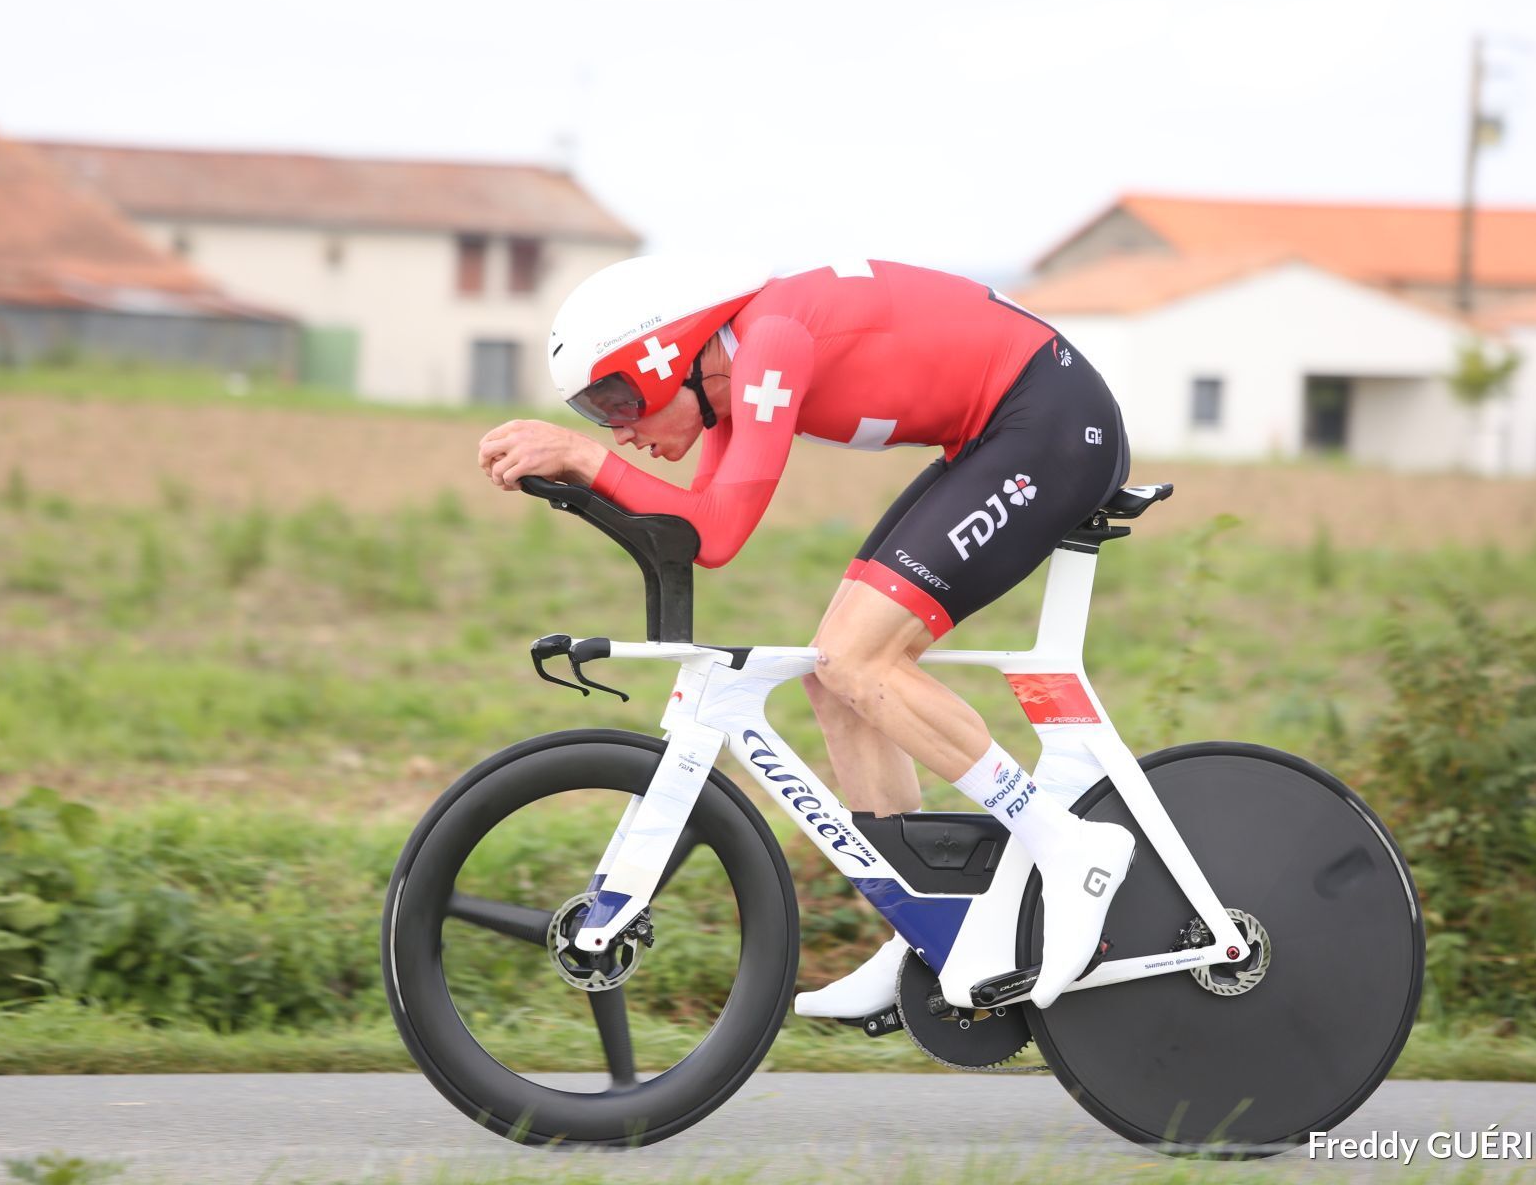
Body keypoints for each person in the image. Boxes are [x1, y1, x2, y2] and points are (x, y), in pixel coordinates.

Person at [477, 255, 1134, 1012]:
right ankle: (933, 928)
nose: (617, 430)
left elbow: (718, 533)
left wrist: (583, 458)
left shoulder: (771, 344)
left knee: (861, 660)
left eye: (616, 400)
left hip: (1050, 422)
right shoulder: (723, 379)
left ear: (667, 359)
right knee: (835, 678)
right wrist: (581, 474)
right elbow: (697, 530)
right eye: (597, 413)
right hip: (1001, 432)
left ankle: (1069, 845)